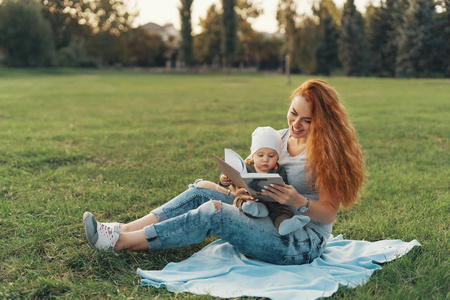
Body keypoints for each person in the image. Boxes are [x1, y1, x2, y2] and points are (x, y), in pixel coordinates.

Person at [83, 79, 365, 265]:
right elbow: (246, 174)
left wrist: (297, 201)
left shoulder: (328, 154)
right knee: (202, 189)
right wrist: (233, 182)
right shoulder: (277, 139)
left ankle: (121, 243)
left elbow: (328, 213)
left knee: (215, 211)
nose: (296, 125)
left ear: (324, 122)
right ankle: (122, 228)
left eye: (307, 120)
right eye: (293, 114)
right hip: (265, 214)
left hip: (299, 240)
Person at [219, 126, 311, 236]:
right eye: (260, 155)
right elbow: (232, 176)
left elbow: (284, 184)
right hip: (250, 199)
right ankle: (255, 209)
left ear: (277, 157)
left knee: (281, 210)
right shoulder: (247, 166)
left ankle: (285, 224)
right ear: (253, 155)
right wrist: (223, 179)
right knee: (241, 201)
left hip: (273, 201)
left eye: (271, 156)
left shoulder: (278, 170)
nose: (265, 159)